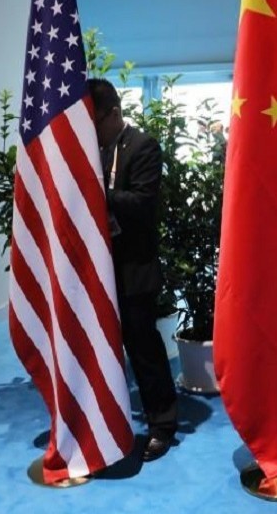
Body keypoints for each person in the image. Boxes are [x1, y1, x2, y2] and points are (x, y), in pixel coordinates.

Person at [88, 78, 178, 462]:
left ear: (113, 112)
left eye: (95, 122)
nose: (92, 132)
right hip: (97, 267)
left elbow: (142, 205)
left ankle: (163, 424)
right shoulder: (91, 149)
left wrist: (95, 189)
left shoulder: (143, 146)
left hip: (134, 267)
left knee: (143, 347)